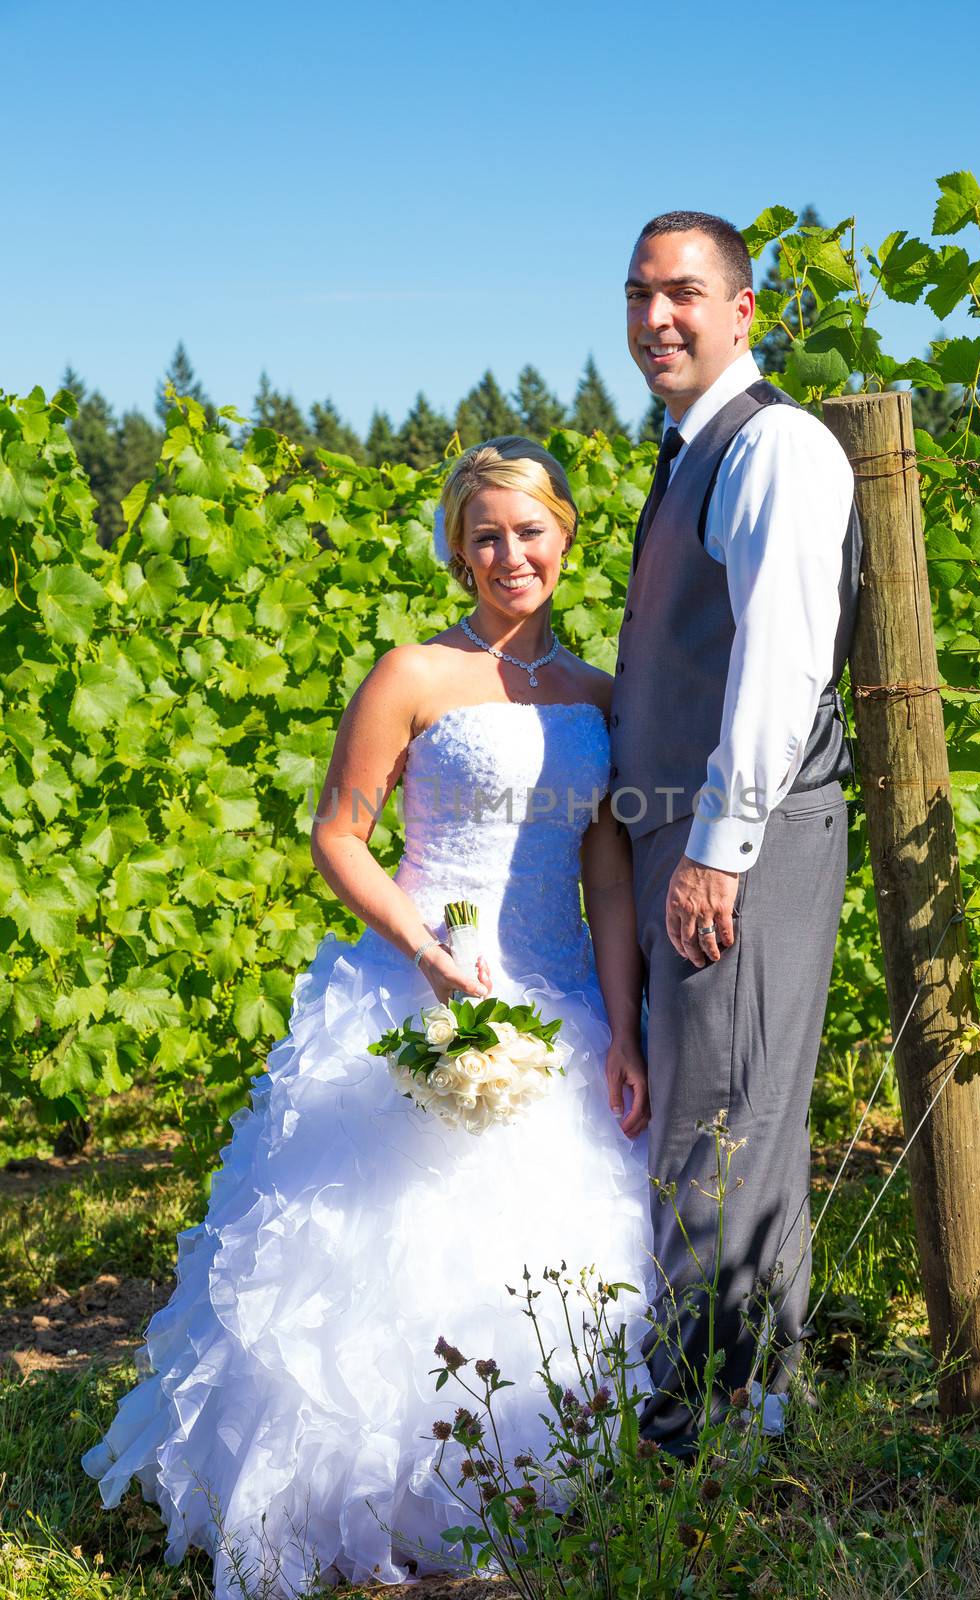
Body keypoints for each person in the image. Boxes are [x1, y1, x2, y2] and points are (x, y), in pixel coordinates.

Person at [82, 437, 656, 1598]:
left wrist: (625, 1024)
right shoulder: (411, 674)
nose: (509, 554)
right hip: (432, 975)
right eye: (484, 535)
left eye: (528, 530)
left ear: (565, 538)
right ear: (459, 551)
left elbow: (606, 872)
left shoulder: (599, 697)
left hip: (564, 1002)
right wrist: (427, 952)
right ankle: (370, 1504)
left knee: (544, 1250)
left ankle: (526, 1487)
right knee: (393, 1243)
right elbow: (337, 833)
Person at [610, 211, 862, 1455]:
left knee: (722, 1129)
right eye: (639, 294)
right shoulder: (684, 453)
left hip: (740, 844)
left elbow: (778, 667)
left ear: (742, 308)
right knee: (716, 1122)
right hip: (692, 840)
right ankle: (745, 1417)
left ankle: (706, 1438)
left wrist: (716, 844)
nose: (658, 316)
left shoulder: (777, 449)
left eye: (684, 293)